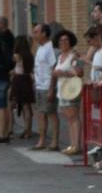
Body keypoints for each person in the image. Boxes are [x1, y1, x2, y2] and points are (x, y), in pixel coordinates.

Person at [53, 29, 84, 156]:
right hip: (62, 89)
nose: (63, 42)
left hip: (72, 90)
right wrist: (55, 74)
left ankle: (77, 145)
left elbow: (79, 72)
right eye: (61, 40)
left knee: (74, 117)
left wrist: (63, 73)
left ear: (71, 41)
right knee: (68, 118)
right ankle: (72, 144)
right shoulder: (60, 56)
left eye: (66, 40)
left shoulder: (74, 55)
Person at [31, 23, 59, 151]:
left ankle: (54, 142)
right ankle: (42, 140)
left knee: (51, 114)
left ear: (44, 33)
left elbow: (54, 68)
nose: (34, 35)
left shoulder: (49, 48)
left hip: (48, 85)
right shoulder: (40, 47)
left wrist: (52, 88)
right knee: (41, 114)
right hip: (39, 85)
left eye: (36, 32)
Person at [10, 36, 35, 139]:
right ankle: (28, 129)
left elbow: (14, 66)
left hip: (19, 80)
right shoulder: (30, 55)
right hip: (27, 79)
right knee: (27, 106)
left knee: (18, 105)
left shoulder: (17, 55)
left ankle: (25, 129)